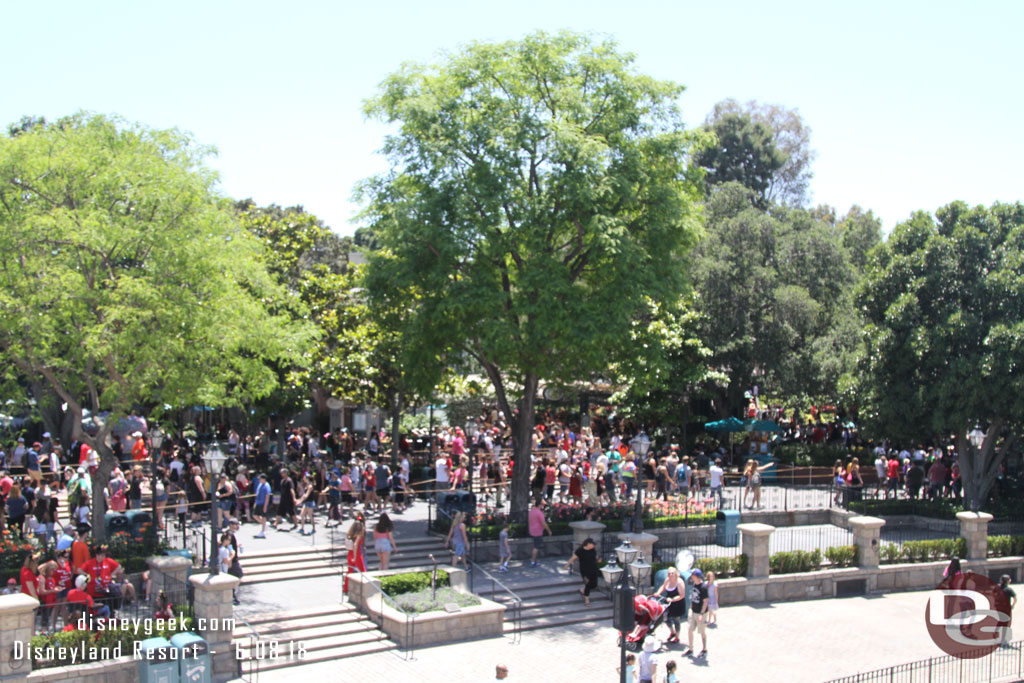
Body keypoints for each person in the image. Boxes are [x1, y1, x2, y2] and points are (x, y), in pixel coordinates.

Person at [654, 566, 686, 643]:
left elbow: (682, 595)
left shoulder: (679, 582)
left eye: (672, 573)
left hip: (677, 603)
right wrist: (658, 593)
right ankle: (672, 632)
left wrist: (673, 599)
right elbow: (663, 587)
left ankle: (677, 636)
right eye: (669, 573)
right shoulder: (667, 580)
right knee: (665, 617)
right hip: (668, 602)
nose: (671, 575)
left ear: (675, 573)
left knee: (676, 620)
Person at [563, 537, 598, 606]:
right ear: (588, 544)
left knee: (594, 585)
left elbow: (595, 557)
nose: (593, 546)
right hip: (584, 570)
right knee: (587, 583)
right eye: (592, 544)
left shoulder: (593, 550)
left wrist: (599, 559)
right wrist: (567, 565)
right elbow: (573, 558)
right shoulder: (580, 550)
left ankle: (583, 590)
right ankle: (587, 600)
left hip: (593, 569)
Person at [684, 568, 709, 658]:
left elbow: (706, 601)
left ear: (696, 576)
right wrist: (691, 607)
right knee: (690, 629)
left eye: (692, 575)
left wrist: (702, 614)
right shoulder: (694, 584)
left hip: (700, 613)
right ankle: (690, 649)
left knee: (702, 631)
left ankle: (704, 649)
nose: (691, 576)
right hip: (693, 610)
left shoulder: (703, 587)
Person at [343, 520, 366, 593]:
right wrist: (355, 557)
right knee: (363, 571)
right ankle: (365, 588)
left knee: (349, 571)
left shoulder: (350, 534)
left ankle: (345, 588)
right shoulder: (358, 535)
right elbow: (356, 545)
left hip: (350, 553)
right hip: (356, 554)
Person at [528, 499, 551, 567]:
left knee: (535, 545)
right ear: (539, 505)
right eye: (542, 505)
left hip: (532, 530)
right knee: (536, 547)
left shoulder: (531, 511)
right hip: (537, 531)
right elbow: (543, 523)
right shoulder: (539, 513)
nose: (542, 506)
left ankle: (534, 560)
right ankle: (533, 561)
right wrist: (549, 531)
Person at [253, 473, 271, 538]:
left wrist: (265, 506)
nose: (259, 480)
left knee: (263, 516)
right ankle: (264, 524)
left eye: (260, 479)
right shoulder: (260, 485)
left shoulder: (266, 485)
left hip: (263, 503)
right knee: (255, 515)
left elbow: (267, 496)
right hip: (258, 502)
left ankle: (263, 531)